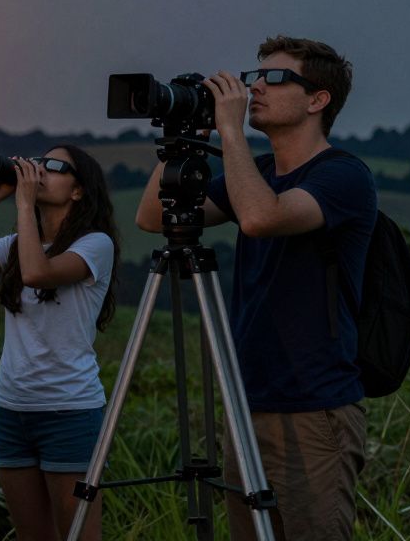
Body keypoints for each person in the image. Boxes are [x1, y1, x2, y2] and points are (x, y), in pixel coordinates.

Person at [135, 36, 374, 540]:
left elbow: (262, 218)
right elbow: (151, 217)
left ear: (318, 99)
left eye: (275, 78)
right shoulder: (259, 172)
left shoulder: (344, 176)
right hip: (248, 406)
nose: (255, 87)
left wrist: (229, 135)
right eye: (254, 76)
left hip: (314, 408)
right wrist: (184, 136)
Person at [0, 146, 119, 541]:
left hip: (68, 411)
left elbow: (37, 273)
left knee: (80, 536)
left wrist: (23, 204)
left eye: (55, 167)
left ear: (78, 191)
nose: (40, 170)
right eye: (40, 162)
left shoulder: (96, 244)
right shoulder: (19, 244)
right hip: (12, 409)